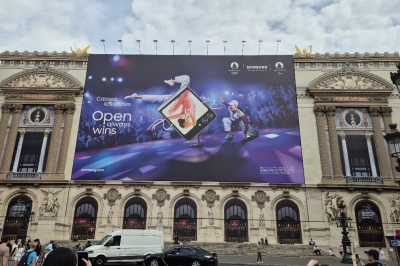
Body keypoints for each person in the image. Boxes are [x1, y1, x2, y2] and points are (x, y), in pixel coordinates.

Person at [125, 75, 201, 147]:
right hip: (181, 97)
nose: (189, 125)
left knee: (156, 98)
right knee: (186, 78)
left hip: (176, 100)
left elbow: (167, 119)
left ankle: (135, 96)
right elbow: (195, 128)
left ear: (184, 122)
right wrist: (198, 142)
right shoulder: (190, 114)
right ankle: (135, 96)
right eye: (188, 125)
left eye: (187, 125)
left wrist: (156, 124)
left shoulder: (181, 115)